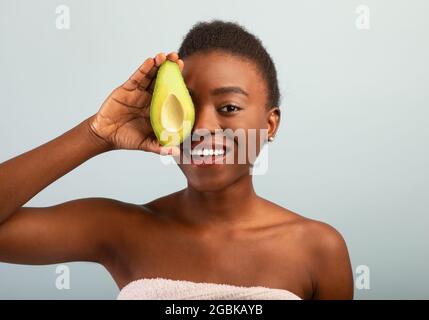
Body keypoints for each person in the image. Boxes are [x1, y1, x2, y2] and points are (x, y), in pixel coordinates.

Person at [0, 20, 353, 300]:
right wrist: (96, 134)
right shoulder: (121, 228)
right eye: (187, 106)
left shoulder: (318, 248)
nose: (201, 127)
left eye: (228, 108)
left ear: (270, 123)